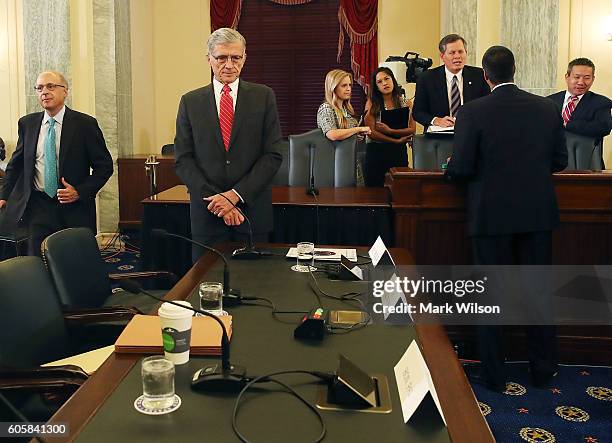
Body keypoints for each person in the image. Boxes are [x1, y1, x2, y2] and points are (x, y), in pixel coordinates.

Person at [446, 46, 567, 391]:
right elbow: (559, 161)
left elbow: (462, 167)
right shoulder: (546, 108)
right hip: (536, 215)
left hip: (491, 217)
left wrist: (450, 172)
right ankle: (544, 372)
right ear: (515, 70)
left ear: (485, 75)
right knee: (538, 294)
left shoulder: (473, 111)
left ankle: (495, 376)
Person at [174, 28, 282, 261]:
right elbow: (183, 160)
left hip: (252, 213)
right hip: (207, 214)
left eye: (236, 57)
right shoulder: (190, 102)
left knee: (258, 288)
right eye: (221, 57)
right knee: (207, 288)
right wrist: (219, 201)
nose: (229, 65)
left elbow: (272, 155)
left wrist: (235, 196)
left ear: (244, 58)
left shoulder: (264, 97)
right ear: (209, 59)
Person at [0, 71, 113, 256]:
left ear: (65, 91)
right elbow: (16, 164)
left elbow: (104, 166)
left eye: (50, 86)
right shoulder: (28, 124)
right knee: (36, 261)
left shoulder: (85, 124)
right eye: (39, 88)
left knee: (75, 261)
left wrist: (80, 191)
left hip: (73, 207)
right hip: (38, 204)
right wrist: (4, 195)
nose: (44, 92)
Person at [413, 34, 490, 130]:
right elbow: (418, 112)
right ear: (442, 56)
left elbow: (488, 107)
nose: (457, 56)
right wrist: (436, 120)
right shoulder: (427, 78)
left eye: (461, 52)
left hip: (471, 132)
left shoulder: (479, 75)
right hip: (440, 136)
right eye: (452, 53)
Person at [547, 57, 612, 166]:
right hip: (552, 163)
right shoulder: (549, 101)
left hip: (587, 164)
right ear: (567, 77)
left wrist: (566, 123)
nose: (581, 82)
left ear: (593, 79)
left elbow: (604, 127)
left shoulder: (601, 102)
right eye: (576, 77)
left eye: (587, 78)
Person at [363, 67, 415, 186]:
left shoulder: (405, 103)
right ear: (376, 86)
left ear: (393, 80)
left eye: (387, 78)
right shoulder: (372, 103)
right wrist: (395, 140)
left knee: (401, 190)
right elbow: (371, 132)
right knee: (375, 194)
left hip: (399, 152)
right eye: (379, 82)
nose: (384, 83)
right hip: (376, 152)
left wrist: (390, 130)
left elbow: (412, 129)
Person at [317, 69, 371, 141]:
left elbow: (347, 135)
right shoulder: (326, 108)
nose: (348, 89)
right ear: (333, 87)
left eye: (350, 85)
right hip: (332, 152)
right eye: (344, 85)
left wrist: (357, 134)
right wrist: (358, 129)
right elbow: (332, 135)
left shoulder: (346, 109)